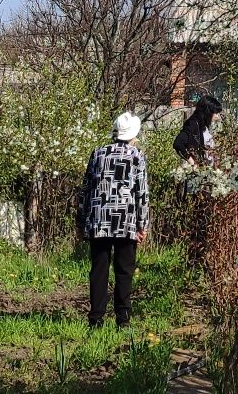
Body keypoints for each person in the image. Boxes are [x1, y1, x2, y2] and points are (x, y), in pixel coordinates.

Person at [81, 111, 150, 328]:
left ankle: (96, 318)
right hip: (126, 220)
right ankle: (123, 318)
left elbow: (85, 189)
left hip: (99, 219)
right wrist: (143, 224)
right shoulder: (136, 156)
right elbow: (142, 193)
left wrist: (81, 220)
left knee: (99, 269)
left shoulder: (98, 153)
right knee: (124, 269)